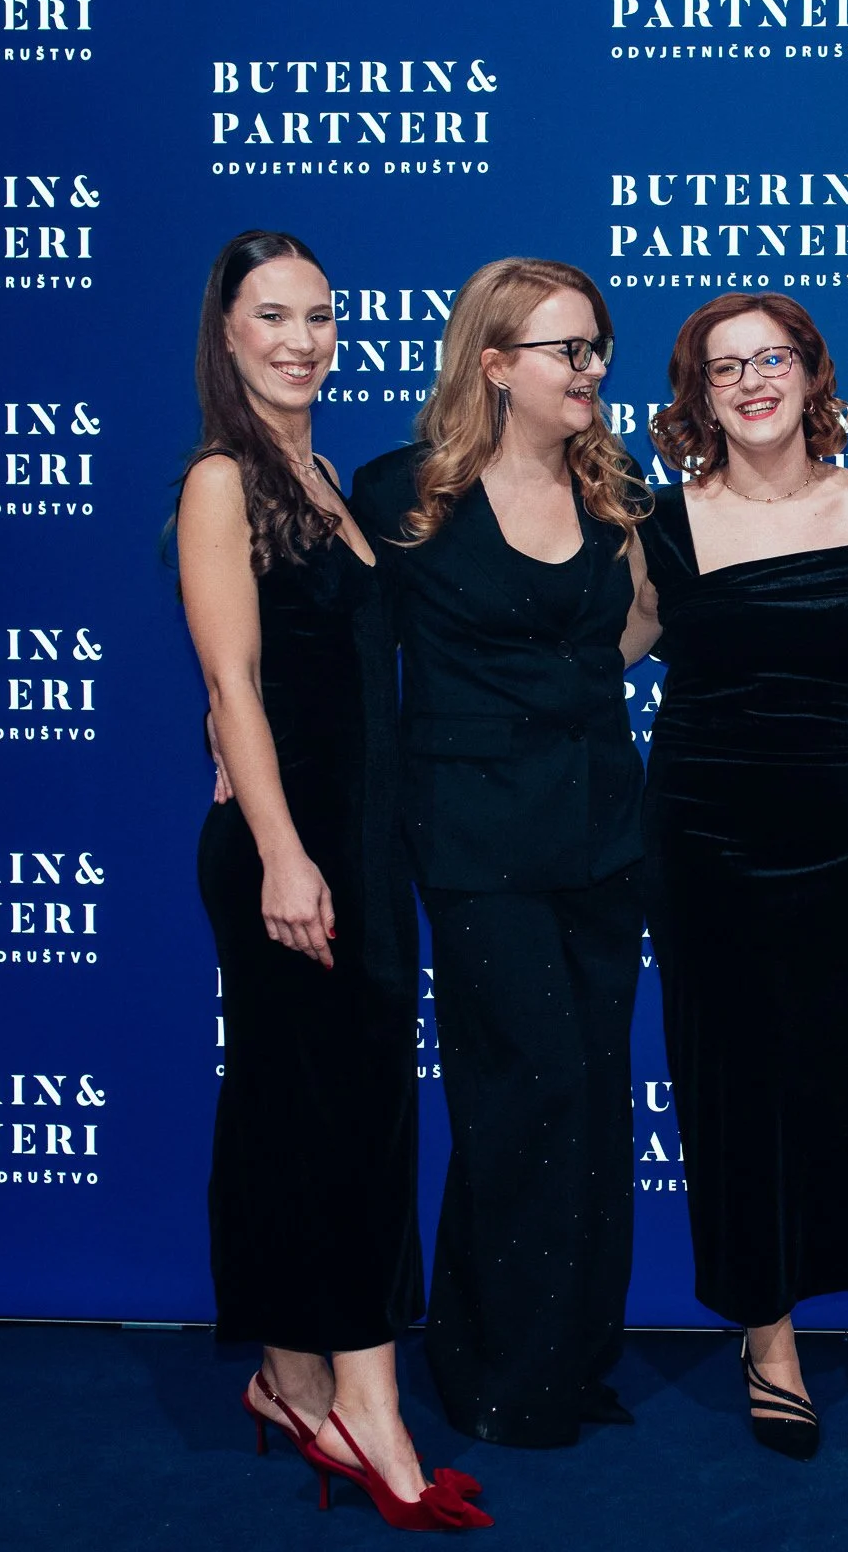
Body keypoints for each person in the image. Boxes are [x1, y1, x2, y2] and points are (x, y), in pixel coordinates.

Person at [178, 230, 489, 1530]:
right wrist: (286, 854)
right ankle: (367, 1408)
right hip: (288, 855)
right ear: (228, 333)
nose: (303, 339)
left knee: (312, 1118)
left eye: (321, 315)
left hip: (360, 847)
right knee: (330, 1121)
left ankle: (288, 1379)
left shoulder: (325, 478)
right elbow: (234, 686)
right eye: (274, 317)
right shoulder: (219, 481)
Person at [350, 258, 648, 1450]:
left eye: (594, 349)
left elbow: (624, 633)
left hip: (601, 832)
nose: (588, 370)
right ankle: (494, 1371)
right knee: (522, 1091)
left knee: (593, 1097)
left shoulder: (613, 483)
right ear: (493, 364)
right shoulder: (400, 492)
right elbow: (341, 652)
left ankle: (575, 1359)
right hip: (476, 843)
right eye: (564, 351)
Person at [627, 292, 848, 1461]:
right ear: (696, 396)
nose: (750, 381)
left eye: (770, 358)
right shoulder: (661, 528)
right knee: (730, 1092)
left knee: (840, 1087)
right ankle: (770, 1335)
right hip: (704, 845)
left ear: (810, 374)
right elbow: (574, 661)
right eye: (722, 366)